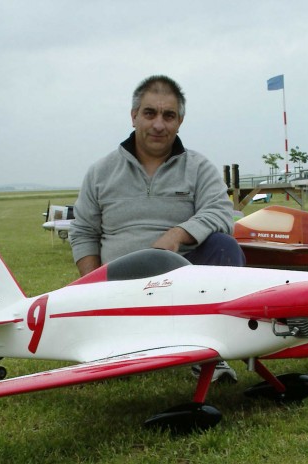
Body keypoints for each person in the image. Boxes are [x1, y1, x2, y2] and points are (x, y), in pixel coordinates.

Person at [69, 74, 245, 381]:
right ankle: (114, 343)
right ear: (134, 116)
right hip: (121, 287)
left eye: (169, 116)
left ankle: (212, 355)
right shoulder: (100, 172)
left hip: (183, 287)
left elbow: (220, 211)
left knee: (224, 245)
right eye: (149, 113)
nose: (159, 125)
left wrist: (177, 234)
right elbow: (83, 232)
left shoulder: (199, 167)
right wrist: (93, 288)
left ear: (180, 121)